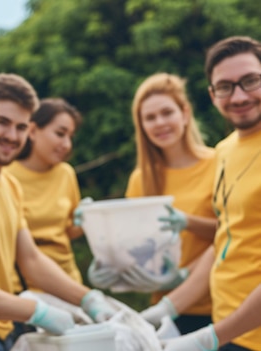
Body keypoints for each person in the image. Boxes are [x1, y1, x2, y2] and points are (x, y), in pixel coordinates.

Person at [0, 73, 117, 351]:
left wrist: (88, 299)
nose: (12, 136)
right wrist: (36, 312)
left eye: (21, 127)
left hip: (0, 328)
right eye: (3, 122)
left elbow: (32, 260)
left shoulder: (9, 185)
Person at [145, 36, 261, 351]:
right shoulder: (225, 150)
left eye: (250, 81)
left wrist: (211, 337)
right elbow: (226, 238)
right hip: (226, 324)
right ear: (212, 95)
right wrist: (169, 306)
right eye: (225, 86)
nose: (238, 96)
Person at [90, 73, 218, 334]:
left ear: (185, 113)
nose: (159, 123)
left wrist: (188, 223)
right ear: (142, 126)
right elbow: (136, 249)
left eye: (166, 112)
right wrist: (108, 263)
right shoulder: (141, 180)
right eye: (150, 117)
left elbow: (234, 232)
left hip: (217, 307)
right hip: (163, 315)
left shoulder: (219, 163)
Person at [5, 98, 85, 284]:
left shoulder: (66, 173)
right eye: (60, 134)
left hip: (68, 278)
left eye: (70, 137)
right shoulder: (6, 176)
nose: (67, 145)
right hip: (26, 284)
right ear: (32, 131)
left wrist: (88, 220)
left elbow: (69, 230)